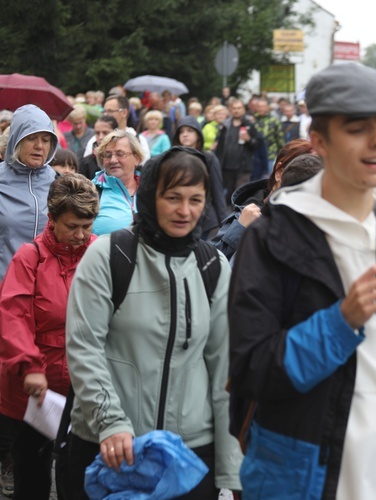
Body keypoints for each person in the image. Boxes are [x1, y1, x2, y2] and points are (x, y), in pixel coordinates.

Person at [229, 62, 376, 499]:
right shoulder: (275, 236)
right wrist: (342, 321)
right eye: (357, 129)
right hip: (315, 470)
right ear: (320, 141)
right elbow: (252, 370)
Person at [61, 148, 242, 499]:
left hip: (189, 455)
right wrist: (110, 422)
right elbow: (85, 348)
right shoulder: (110, 255)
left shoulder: (213, 266)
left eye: (195, 199)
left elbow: (225, 371)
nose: (185, 211)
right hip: (110, 446)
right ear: (150, 195)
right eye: (173, 197)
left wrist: (230, 469)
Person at [0, 173, 99, 499]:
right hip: (35, 389)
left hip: (84, 384)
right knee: (32, 474)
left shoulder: (98, 252)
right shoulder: (30, 257)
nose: (81, 235)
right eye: (72, 226)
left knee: (80, 473)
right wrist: (29, 366)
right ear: (52, 219)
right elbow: (13, 316)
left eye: (87, 226)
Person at [211, 138, 313, 260]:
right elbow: (211, 263)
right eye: (301, 174)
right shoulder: (245, 213)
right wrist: (240, 228)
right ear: (279, 172)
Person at [0, 104, 57, 282]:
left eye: (46, 140)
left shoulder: (59, 182)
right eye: (31, 138)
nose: (39, 146)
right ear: (16, 140)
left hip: (45, 289)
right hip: (4, 287)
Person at [172, 116, 226, 238]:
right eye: (181, 131)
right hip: (179, 215)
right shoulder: (173, 159)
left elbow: (217, 192)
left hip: (203, 218)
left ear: (198, 134)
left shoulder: (209, 159)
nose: (185, 134)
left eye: (190, 131)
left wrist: (225, 223)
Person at [92, 129, 144, 235]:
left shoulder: (150, 189)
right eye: (108, 155)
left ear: (137, 158)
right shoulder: (90, 191)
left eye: (120, 154)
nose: (113, 160)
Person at [215, 99, 261, 205]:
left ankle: (239, 219)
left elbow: (257, 144)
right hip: (227, 166)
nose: (236, 111)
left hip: (243, 167)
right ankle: (227, 219)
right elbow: (220, 146)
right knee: (227, 196)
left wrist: (248, 139)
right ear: (230, 110)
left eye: (239, 108)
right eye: (234, 108)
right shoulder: (225, 125)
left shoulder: (249, 124)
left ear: (244, 109)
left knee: (240, 196)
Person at [84, 95, 150, 161]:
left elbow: (144, 166)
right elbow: (86, 164)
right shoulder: (96, 139)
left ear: (124, 112)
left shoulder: (138, 140)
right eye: (104, 111)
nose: (105, 115)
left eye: (110, 111)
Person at [78, 115, 118, 180]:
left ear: (115, 132)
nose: (100, 137)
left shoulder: (123, 158)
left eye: (105, 133)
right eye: (97, 133)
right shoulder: (86, 163)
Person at [253, 97, 284, 177]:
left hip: (270, 155)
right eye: (259, 106)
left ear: (267, 107)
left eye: (263, 106)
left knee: (267, 180)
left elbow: (280, 140)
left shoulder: (274, 121)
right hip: (255, 156)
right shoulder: (252, 120)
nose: (261, 109)